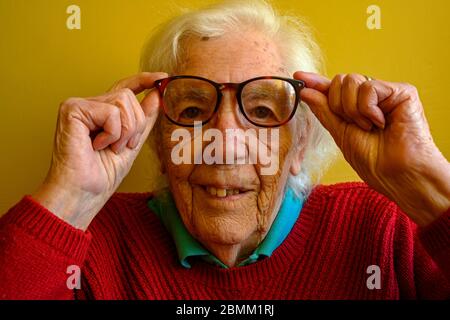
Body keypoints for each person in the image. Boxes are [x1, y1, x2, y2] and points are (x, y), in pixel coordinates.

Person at [0, 0, 449, 300]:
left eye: (262, 110)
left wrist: (427, 187)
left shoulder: (382, 231)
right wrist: (66, 201)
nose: (226, 144)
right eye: (193, 108)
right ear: (159, 140)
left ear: (301, 145)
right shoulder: (91, 244)